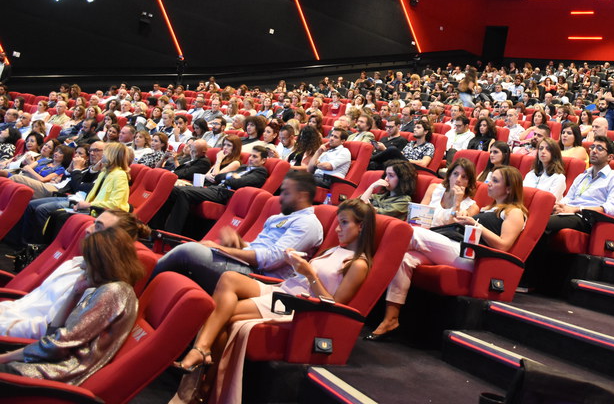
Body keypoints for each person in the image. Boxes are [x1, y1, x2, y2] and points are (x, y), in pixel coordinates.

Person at [172, 199, 375, 404]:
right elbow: (303, 278)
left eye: (345, 223)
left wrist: (309, 273)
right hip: (283, 288)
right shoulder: (334, 251)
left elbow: (332, 305)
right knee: (229, 278)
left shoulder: (358, 264)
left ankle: (204, 384)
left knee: (223, 315)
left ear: (362, 226)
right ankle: (202, 352)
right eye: (338, 223)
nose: (338, 229)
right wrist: (295, 265)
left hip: (294, 304)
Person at [366, 166, 528, 340]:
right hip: (458, 248)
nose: (488, 184)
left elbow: (503, 246)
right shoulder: (488, 208)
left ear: (509, 188)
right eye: (489, 179)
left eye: (495, 181)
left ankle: (364, 272)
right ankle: (391, 319)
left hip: (474, 259)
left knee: (412, 232)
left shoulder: (515, 212)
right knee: (406, 259)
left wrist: (475, 225)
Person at [0, 228, 142, 384]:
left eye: (87, 261)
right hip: (45, 364)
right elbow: (53, 332)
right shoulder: (102, 289)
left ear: (103, 263)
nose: (82, 267)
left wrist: (5, 357)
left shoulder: (113, 292)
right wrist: (74, 293)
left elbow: (57, 346)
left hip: (53, 372)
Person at [151, 171, 324, 293]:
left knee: (188, 251)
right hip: (249, 267)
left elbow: (272, 260)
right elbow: (258, 248)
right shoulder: (278, 217)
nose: (281, 197)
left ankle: (141, 287)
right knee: (184, 266)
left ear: (302, 196)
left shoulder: (308, 223)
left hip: (262, 279)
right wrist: (240, 243)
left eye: (286, 193)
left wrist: (222, 249)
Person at [0, 210, 150, 338]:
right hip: (11, 314)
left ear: (116, 240)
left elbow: (49, 330)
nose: (88, 229)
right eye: (93, 222)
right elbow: (29, 302)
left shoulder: (98, 287)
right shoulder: (75, 263)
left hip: (17, 334)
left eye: (98, 227)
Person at [422, 158, 480, 226]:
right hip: (422, 230)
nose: (458, 179)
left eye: (464, 177)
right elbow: (419, 214)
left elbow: (451, 230)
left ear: (469, 183)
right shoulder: (434, 188)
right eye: (455, 174)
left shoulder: (472, 208)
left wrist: (457, 203)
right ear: (449, 176)